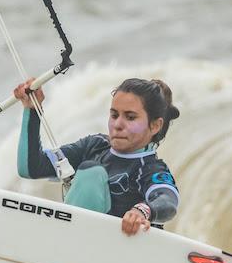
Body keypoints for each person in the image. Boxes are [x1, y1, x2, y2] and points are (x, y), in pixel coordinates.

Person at [13, 77, 180, 236]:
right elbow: (31, 168)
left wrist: (143, 211)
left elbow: (168, 201)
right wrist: (32, 110)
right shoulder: (94, 146)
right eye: (114, 115)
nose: (117, 124)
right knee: (90, 172)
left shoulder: (151, 169)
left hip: (122, 252)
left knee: (91, 173)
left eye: (130, 117)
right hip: (75, 243)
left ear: (155, 125)